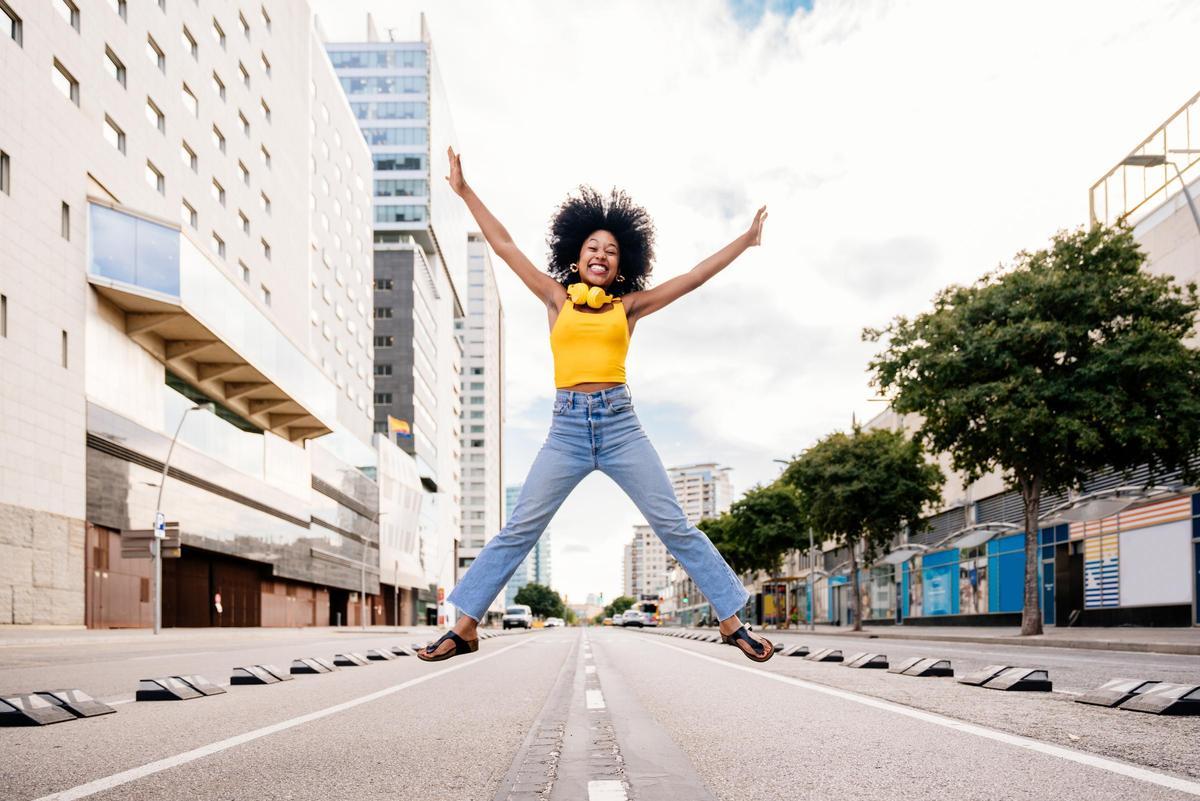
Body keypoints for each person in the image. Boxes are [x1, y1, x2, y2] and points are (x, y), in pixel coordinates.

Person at [418, 147, 772, 663]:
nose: (601, 254)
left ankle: (731, 621)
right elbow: (504, 244)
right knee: (520, 528)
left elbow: (693, 277)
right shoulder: (556, 298)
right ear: (576, 255)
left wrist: (744, 240)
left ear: (620, 261)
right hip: (566, 430)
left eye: (610, 250)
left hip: (620, 425)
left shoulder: (627, 307)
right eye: (592, 247)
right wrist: (465, 190)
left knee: (673, 524)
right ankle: (466, 626)